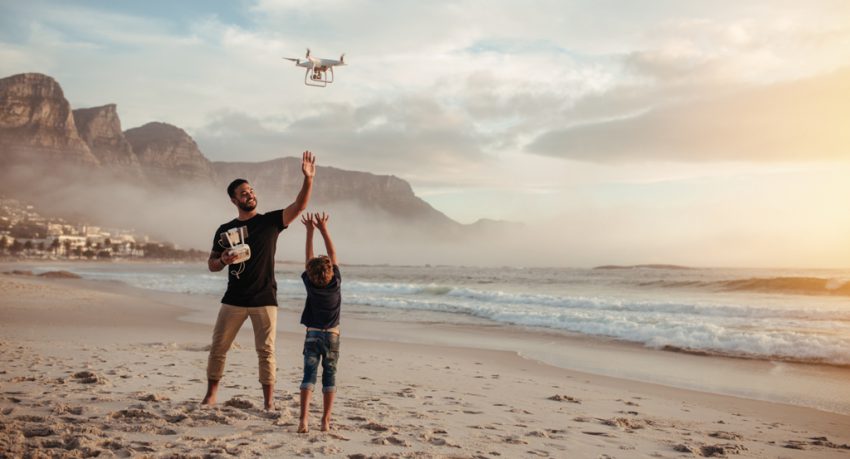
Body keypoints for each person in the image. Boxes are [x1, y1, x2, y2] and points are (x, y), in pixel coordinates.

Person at [201, 150, 316, 411]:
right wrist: (223, 261)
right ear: (234, 200)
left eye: (251, 191)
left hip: (265, 298)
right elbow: (211, 265)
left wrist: (308, 179)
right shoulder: (224, 230)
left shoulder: (271, 222)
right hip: (234, 299)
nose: (249, 195)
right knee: (218, 348)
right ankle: (210, 396)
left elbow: (300, 206)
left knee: (266, 352)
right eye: (243, 193)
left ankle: (268, 402)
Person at [297, 211, 341, 433]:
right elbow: (332, 253)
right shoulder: (335, 282)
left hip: (313, 334)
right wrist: (324, 229)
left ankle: (303, 420)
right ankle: (325, 421)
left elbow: (309, 257)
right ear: (331, 272)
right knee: (329, 377)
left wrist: (309, 231)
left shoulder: (310, 284)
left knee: (309, 376)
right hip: (332, 336)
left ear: (310, 273)